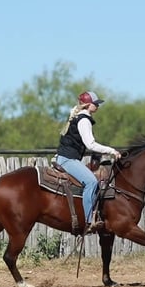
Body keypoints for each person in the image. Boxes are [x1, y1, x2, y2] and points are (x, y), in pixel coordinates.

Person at [55, 91, 121, 233]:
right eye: (95, 103)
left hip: (65, 157)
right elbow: (90, 144)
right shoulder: (84, 120)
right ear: (88, 104)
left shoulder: (78, 117)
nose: (97, 106)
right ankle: (89, 220)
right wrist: (111, 151)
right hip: (68, 159)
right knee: (91, 181)